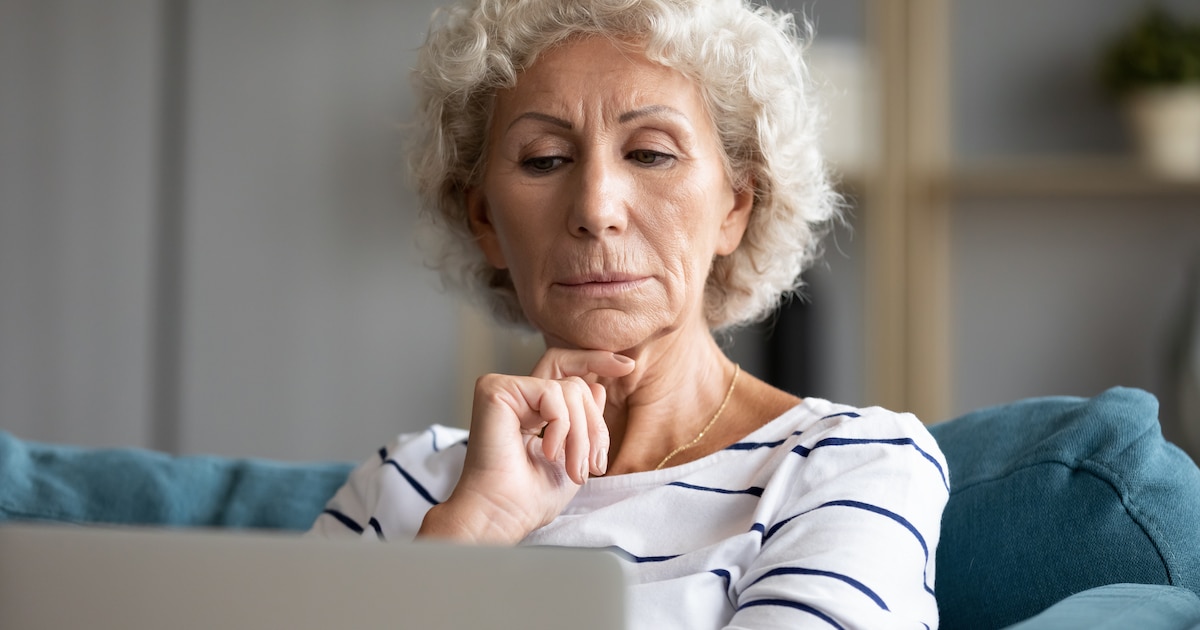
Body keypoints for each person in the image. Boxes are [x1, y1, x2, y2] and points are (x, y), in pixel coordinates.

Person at [309, 0, 949, 627]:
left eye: (649, 154)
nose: (596, 208)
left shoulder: (849, 466)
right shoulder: (400, 486)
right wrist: (475, 527)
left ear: (735, 206)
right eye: (544, 159)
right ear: (486, 222)